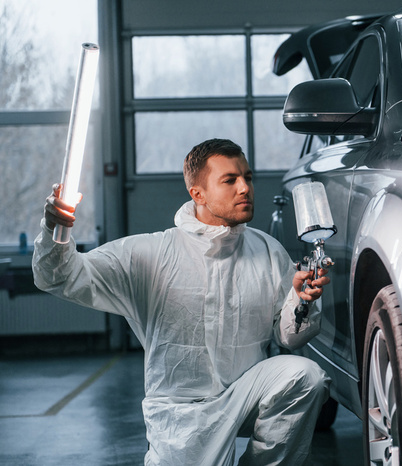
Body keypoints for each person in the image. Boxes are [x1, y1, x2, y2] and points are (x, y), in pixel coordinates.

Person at [32, 138, 331, 466]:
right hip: (181, 415)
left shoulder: (267, 251)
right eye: (230, 180)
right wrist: (54, 229)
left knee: (306, 376)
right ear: (197, 194)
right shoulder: (152, 254)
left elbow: (288, 336)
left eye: (247, 177)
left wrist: (302, 302)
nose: (245, 188)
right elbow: (60, 276)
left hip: (245, 394)